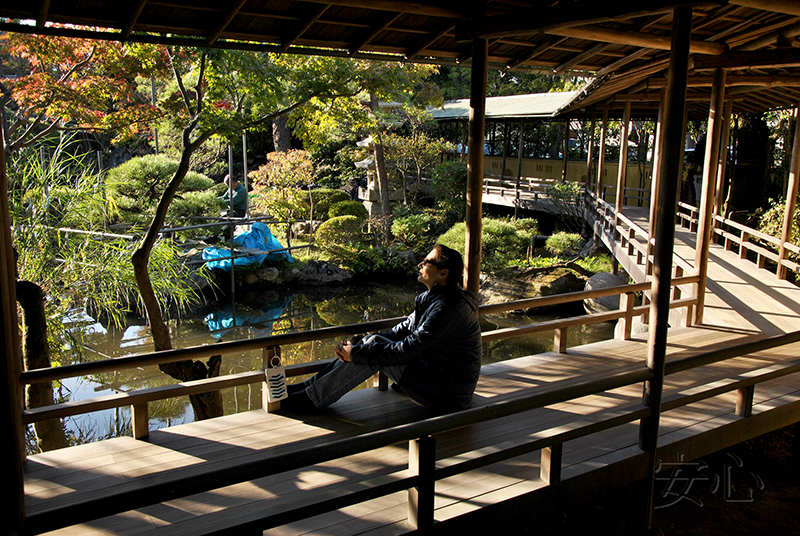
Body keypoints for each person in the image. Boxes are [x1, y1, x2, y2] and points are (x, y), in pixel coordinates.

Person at [282, 244, 482, 413]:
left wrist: (358, 354)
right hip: (434, 378)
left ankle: (312, 399)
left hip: (449, 394)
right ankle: (309, 386)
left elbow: (410, 348)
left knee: (371, 348)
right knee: (369, 343)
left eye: (427, 262)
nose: (420, 264)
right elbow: (399, 332)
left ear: (443, 273)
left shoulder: (449, 307)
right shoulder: (434, 300)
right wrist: (357, 343)